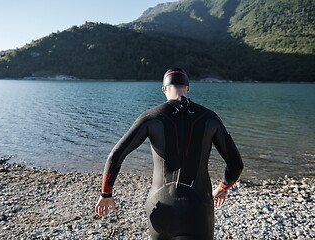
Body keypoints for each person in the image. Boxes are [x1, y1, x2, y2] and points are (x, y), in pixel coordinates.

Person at [95, 67, 244, 239]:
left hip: (160, 206)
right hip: (197, 210)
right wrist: (223, 187)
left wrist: (106, 194)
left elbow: (116, 156)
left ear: (164, 89)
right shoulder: (209, 118)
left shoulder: (151, 117)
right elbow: (236, 164)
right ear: (187, 88)